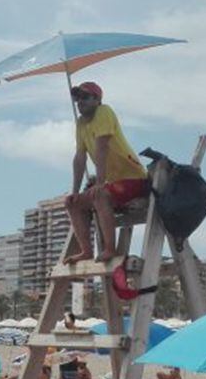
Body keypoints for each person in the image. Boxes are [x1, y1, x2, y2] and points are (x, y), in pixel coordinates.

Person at [63, 81, 149, 264]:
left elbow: (102, 147)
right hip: (114, 184)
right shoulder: (81, 123)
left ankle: (110, 248)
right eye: (77, 98)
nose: (80, 102)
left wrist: (100, 183)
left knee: (100, 195)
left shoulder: (104, 112)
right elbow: (79, 158)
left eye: (85, 97)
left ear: (97, 99)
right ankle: (86, 251)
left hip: (134, 179)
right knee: (71, 203)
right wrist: (75, 192)